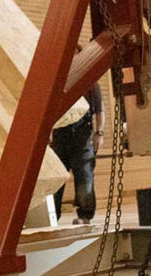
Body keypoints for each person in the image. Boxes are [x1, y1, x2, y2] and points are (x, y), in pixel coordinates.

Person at [51, 79, 104, 224]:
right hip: (60, 135)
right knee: (56, 178)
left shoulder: (91, 84)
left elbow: (99, 111)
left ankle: (85, 215)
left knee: (84, 177)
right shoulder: (57, 84)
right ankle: (53, 215)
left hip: (82, 136)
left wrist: (99, 133)